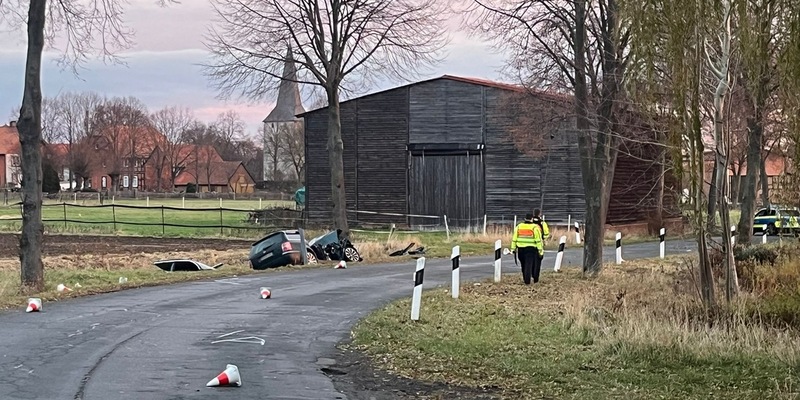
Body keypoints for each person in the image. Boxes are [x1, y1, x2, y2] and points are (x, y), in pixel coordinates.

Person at [511, 213, 544, 285]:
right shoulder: (534, 227)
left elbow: (514, 238)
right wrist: (540, 251)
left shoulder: (519, 227)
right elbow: (538, 240)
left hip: (520, 249)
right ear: (532, 219)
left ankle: (525, 279)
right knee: (528, 265)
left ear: (525, 219)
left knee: (523, 265)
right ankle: (527, 281)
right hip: (531, 249)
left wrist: (513, 249)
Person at [529, 208, 549, 283]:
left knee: (530, 261)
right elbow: (546, 233)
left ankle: (529, 273)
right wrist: (543, 239)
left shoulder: (530, 223)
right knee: (538, 261)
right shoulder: (542, 223)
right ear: (540, 214)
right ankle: (536, 277)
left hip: (529, 244)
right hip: (539, 245)